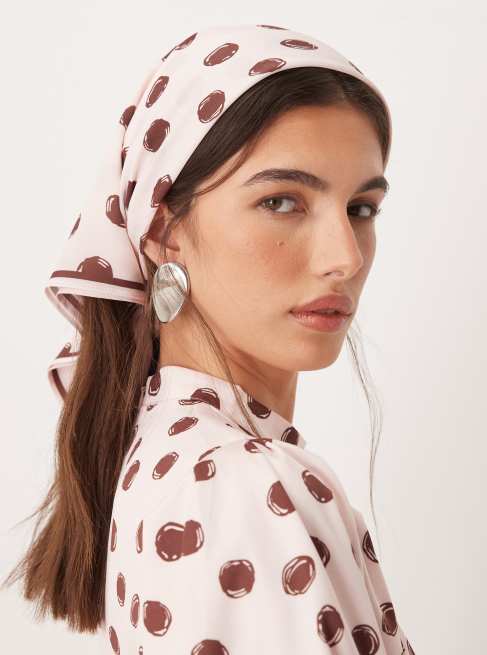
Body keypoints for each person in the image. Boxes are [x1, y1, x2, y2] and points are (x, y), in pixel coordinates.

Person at [3, 22, 416, 654]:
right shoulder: (242, 485)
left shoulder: (172, 452)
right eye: (282, 202)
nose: (345, 258)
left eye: (361, 209)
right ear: (163, 230)